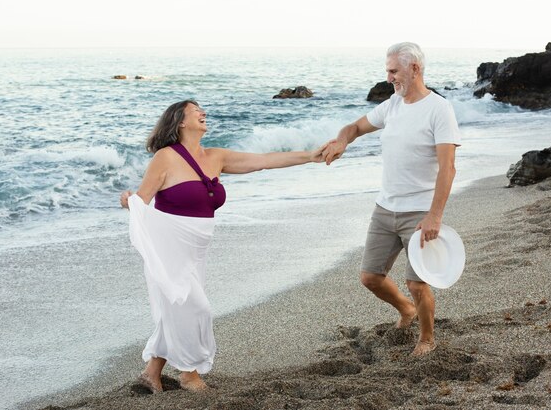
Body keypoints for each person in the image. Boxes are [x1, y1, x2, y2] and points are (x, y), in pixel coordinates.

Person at [120, 99, 326, 393]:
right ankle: (188, 374)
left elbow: (265, 160)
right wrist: (129, 202)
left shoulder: (216, 156)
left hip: (197, 248)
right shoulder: (165, 158)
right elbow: (142, 201)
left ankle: (151, 373)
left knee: (178, 307)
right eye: (196, 111)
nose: (203, 113)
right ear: (180, 121)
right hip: (171, 246)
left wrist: (310, 156)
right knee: (195, 307)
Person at [322, 42, 461, 356]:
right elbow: (356, 126)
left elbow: (448, 168)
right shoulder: (392, 105)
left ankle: (426, 339)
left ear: (414, 68)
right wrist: (342, 140)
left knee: (417, 283)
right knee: (370, 277)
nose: (388, 78)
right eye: (387, 70)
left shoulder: (439, 109)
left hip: (419, 212)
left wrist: (434, 216)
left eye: (393, 71)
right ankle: (406, 311)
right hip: (385, 208)